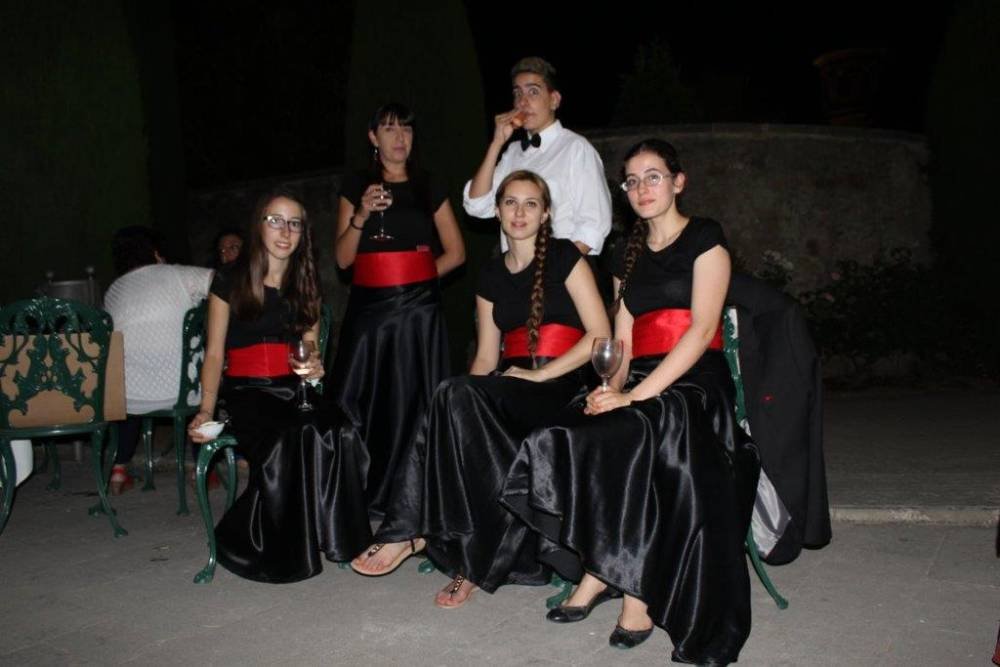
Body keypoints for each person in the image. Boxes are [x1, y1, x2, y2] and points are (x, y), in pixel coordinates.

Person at [500, 139, 760, 663]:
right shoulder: (625, 252)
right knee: (571, 430)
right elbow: (621, 340)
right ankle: (600, 567)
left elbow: (701, 329)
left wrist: (636, 395)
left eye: (654, 176)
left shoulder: (705, 237)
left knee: (643, 426)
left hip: (694, 382)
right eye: (632, 181)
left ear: (678, 182)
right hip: (639, 377)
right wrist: (608, 388)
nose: (642, 188)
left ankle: (636, 592)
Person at [351, 171, 610, 609]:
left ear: (545, 214)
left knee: (456, 397)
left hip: (561, 386)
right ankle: (455, 553)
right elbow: (487, 358)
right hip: (511, 387)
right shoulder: (490, 274)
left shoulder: (566, 257)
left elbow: (601, 336)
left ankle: (411, 532)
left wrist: (540, 375)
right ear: (497, 211)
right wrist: (460, 398)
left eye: (530, 204)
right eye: (510, 202)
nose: (519, 212)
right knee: (450, 397)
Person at [188, 188, 371, 583]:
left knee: (340, 430)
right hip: (248, 390)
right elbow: (214, 355)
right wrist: (205, 409)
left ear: (303, 233)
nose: (285, 231)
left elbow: (309, 351)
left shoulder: (305, 284)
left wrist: (315, 366)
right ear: (259, 227)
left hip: (293, 388)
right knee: (288, 436)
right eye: (275, 221)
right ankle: (258, 540)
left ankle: (337, 537)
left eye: (294, 223)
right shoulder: (230, 280)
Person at [331, 102, 465, 516]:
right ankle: (363, 493)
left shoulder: (427, 184)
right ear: (373, 137)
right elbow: (342, 260)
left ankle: (415, 496)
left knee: (414, 401)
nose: (399, 137)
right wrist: (362, 214)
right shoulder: (357, 184)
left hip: (417, 311)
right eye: (389, 129)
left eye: (406, 129)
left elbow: (456, 252)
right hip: (370, 311)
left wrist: (415, 280)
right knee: (367, 401)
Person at [463, 56, 612, 258]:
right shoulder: (512, 152)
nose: (523, 102)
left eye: (533, 91)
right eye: (518, 93)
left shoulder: (576, 148)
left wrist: (555, 269)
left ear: (554, 100)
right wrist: (496, 143)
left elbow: (593, 225)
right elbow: (477, 206)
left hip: (561, 270)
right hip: (515, 269)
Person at [103, 227, 213, 494]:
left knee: (131, 379)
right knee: (209, 384)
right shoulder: (178, 274)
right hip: (184, 394)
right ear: (155, 252)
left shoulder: (114, 290)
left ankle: (119, 469)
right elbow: (224, 284)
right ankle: (203, 468)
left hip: (129, 400)